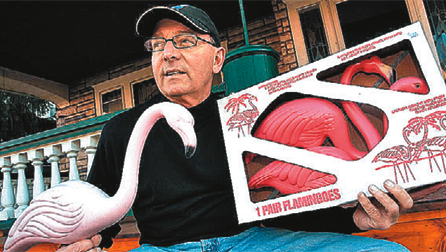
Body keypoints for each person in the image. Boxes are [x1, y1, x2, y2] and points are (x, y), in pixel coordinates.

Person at [61, 4, 414, 252]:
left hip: (252, 241)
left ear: (217, 59)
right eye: (158, 45)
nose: (168, 54)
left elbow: (288, 199)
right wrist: (86, 241)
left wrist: (358, 219)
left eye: (185, 41)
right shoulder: (123, 129)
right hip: (164, 248)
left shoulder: (244, 116)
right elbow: (97, 211)